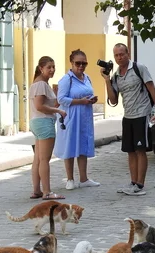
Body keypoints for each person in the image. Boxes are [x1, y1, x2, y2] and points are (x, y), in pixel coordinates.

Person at [102, 43, 155, 196]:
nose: (119, 57)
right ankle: (133, 182)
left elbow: (151, 88)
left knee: (140, 150)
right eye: (116, 55)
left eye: (122, 54)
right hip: (127, 116)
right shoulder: (116, 75)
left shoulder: (138, 68)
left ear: (128, 53)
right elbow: (113, 100)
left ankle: (140, 184)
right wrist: (107, 80)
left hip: (141, 114)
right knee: (130, 151)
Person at [55, 49, 100, 191]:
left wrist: (91, 100)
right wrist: (80, 101)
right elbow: (61, 99)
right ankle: (69, 179)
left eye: (84, 63)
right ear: (72, 63)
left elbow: (88, 93)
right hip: (71, 116)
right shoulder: (66, 79)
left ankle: (84, 178)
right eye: (78, 63)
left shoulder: (87, 78)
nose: (81, 66)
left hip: (85, 116)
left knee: (83, 146)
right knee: (69, 145)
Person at [29, 55, 67, 200]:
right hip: (44, 122)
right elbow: (40, 106)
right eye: (48, 67)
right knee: (44, 159)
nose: (52, 70)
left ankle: (37, 190)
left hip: (38, 122)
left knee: (38, 158)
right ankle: (47, 192)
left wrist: (56, 97)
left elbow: (50, 105)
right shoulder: (41, 84)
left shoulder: (39, 84)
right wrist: (59, 111)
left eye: (53, 67)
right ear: (41, 68)